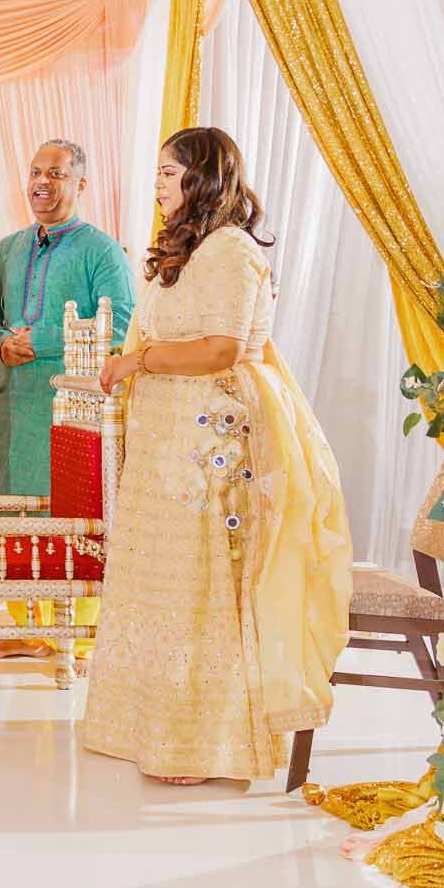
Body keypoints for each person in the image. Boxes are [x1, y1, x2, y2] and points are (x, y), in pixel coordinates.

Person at [80, 127, 351, 785]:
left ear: (204, 178)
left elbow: (221, 347)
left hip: (212, 437)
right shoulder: (191, 248)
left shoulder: (229, 250)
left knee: (202, 577)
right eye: (159, 172)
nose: (159, 184)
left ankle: (204, 740)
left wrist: (137, 359)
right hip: (169, 437)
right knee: (163, 575)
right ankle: (151, 723)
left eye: (170, 172)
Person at [0, 140, 134, 662]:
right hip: (13, 402)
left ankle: (77, 632)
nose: (43, 182)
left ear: (80, 184)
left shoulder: (100, 250)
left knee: (68, 514)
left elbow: (123, 324)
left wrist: (36, 342)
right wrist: (1, 342)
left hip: (73, 412)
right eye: (36, 172)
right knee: (10, 509)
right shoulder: (9, 248)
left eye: (57, 174)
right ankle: (25, 625)